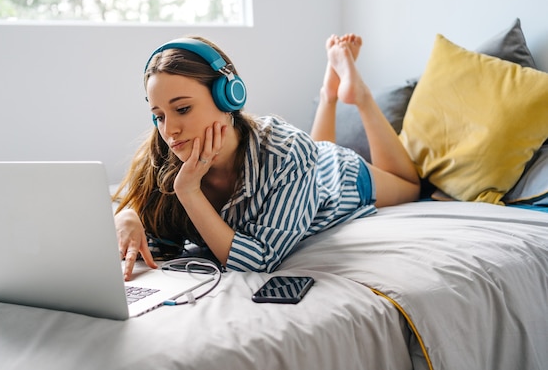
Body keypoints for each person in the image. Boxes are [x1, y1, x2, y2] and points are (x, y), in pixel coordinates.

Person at [113, 34, 420, 280]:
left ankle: (359, 96)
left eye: (182, 109)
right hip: (305, 166)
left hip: (338, 175)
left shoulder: (289, 152)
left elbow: (258, 261)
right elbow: (156, 239)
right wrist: (128, 216)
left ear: (228, 96)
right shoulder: (162, 158)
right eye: (159, 116)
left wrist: (189, 192)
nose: (171, 130)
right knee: (310, 151)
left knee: (411, 185)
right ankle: (328, 94)